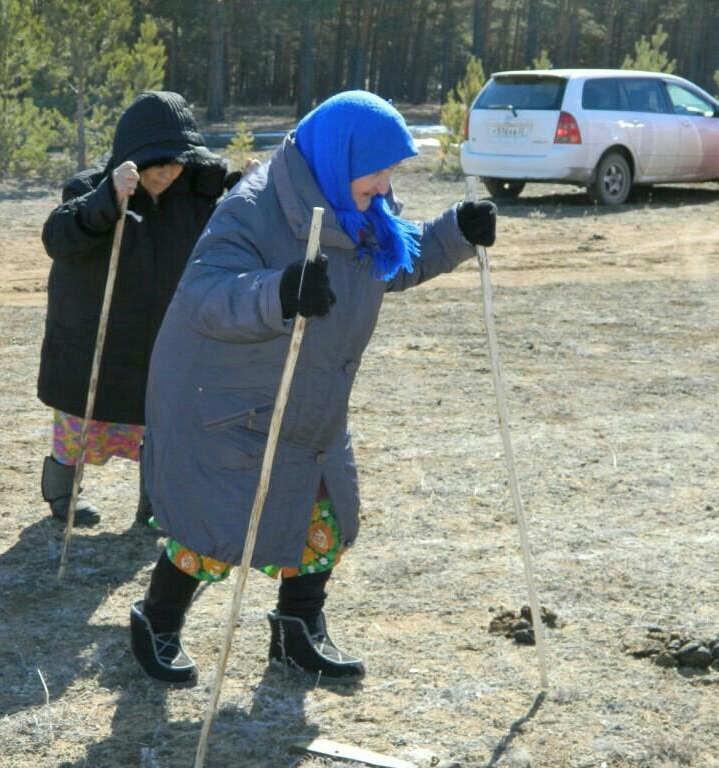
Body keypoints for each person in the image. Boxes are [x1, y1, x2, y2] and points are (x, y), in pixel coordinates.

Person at [127, 90, 497, 684]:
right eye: (376, 171)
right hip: (231, 397)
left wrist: (456, 232)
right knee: (213, 531)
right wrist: (279, 292)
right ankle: (157, 621)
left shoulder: (363, 207)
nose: (383, 185)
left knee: (325, 516)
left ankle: (297, 628)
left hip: (312, 397)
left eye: (389, 173)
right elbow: (203, 297)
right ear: (340, 156)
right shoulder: (255, 206)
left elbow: (395, 263)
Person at [37, 91, 246, 527]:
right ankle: (62, 497)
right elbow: (57, 238)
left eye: (176, 163)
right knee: (79, 425)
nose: (167, 173)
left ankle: (154, 505)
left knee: (161, 427)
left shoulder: (198, 196)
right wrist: (107, 198)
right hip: (95, 339)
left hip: (161, 341)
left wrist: (249, 190)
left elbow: (238, 229)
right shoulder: (91, 187)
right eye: (156, 163)